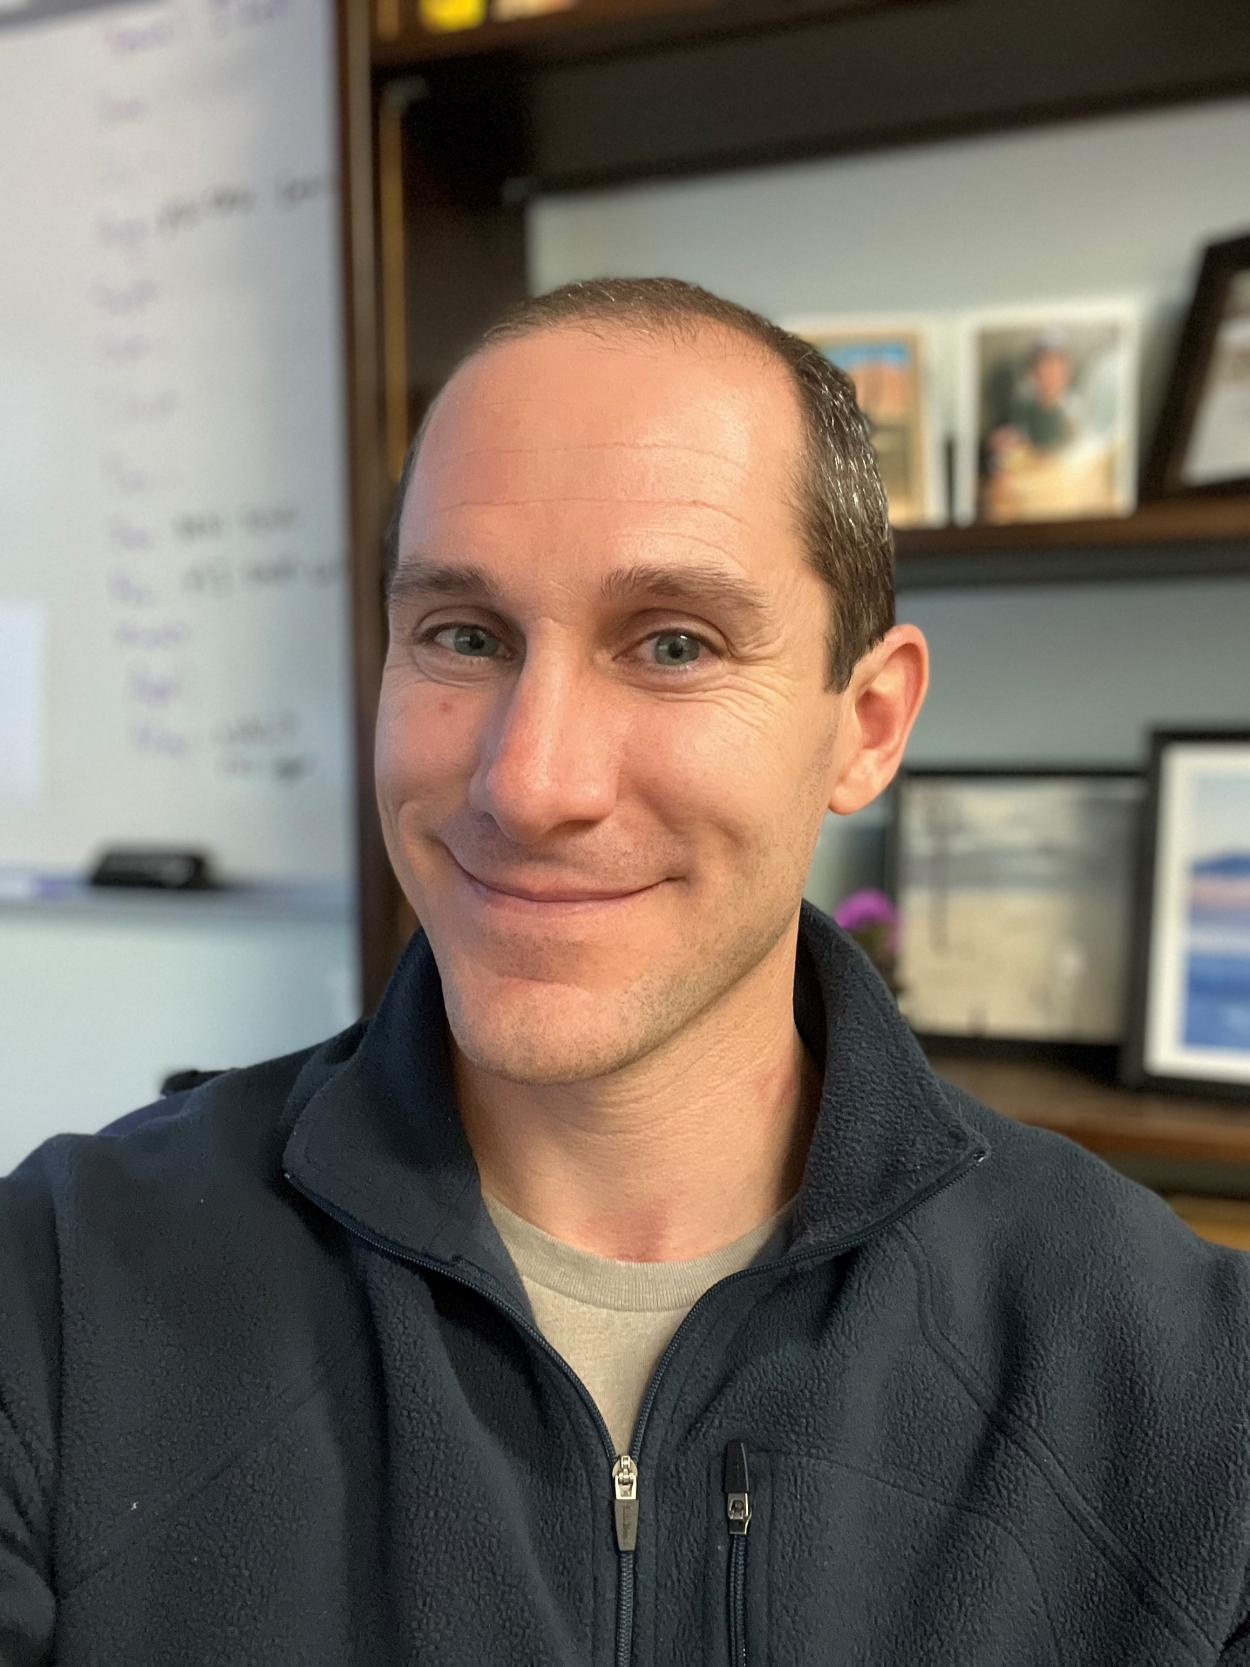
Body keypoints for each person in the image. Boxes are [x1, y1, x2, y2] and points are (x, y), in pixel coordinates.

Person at [3, 278, 1249, 1666]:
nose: (529, 783)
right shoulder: (56, 1294)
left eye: (673, 645)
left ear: (868, 723)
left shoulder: (1188, 1384)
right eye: (462, 637)